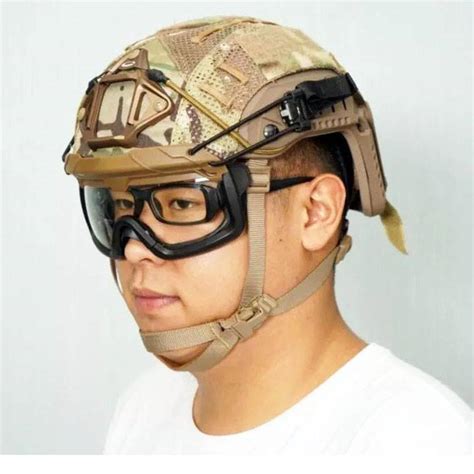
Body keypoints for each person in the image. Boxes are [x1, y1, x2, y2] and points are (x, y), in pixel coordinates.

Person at [62, 16, 471, 454]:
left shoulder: (415, 441)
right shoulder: (144, 407)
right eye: (119, 208)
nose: (134, 249)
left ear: (315, 213)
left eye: (182, 204)